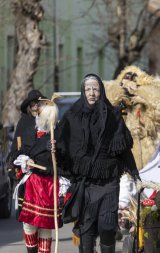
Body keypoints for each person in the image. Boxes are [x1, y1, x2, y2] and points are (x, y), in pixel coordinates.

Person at [57, 74, 140, 253]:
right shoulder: (72, 115)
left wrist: (135, 173)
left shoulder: (113, 115)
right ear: (83, 91)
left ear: (101, 91)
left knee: (107, 228)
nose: (92, 93)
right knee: (86, 231)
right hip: (85, 184)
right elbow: (61, 144)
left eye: (95, 89)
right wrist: (51, 150)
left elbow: (123, 149)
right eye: (88, 89)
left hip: (109, 181)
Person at [11, 98, 59, 253]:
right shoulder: (27, 127)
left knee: (45, 224)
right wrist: (24, 160)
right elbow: (19, 152)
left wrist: (54, 149)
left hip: (48, 185)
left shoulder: (57, 134)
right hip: (31, 183)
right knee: (30, 223)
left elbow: (62, 161)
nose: (35, 108)